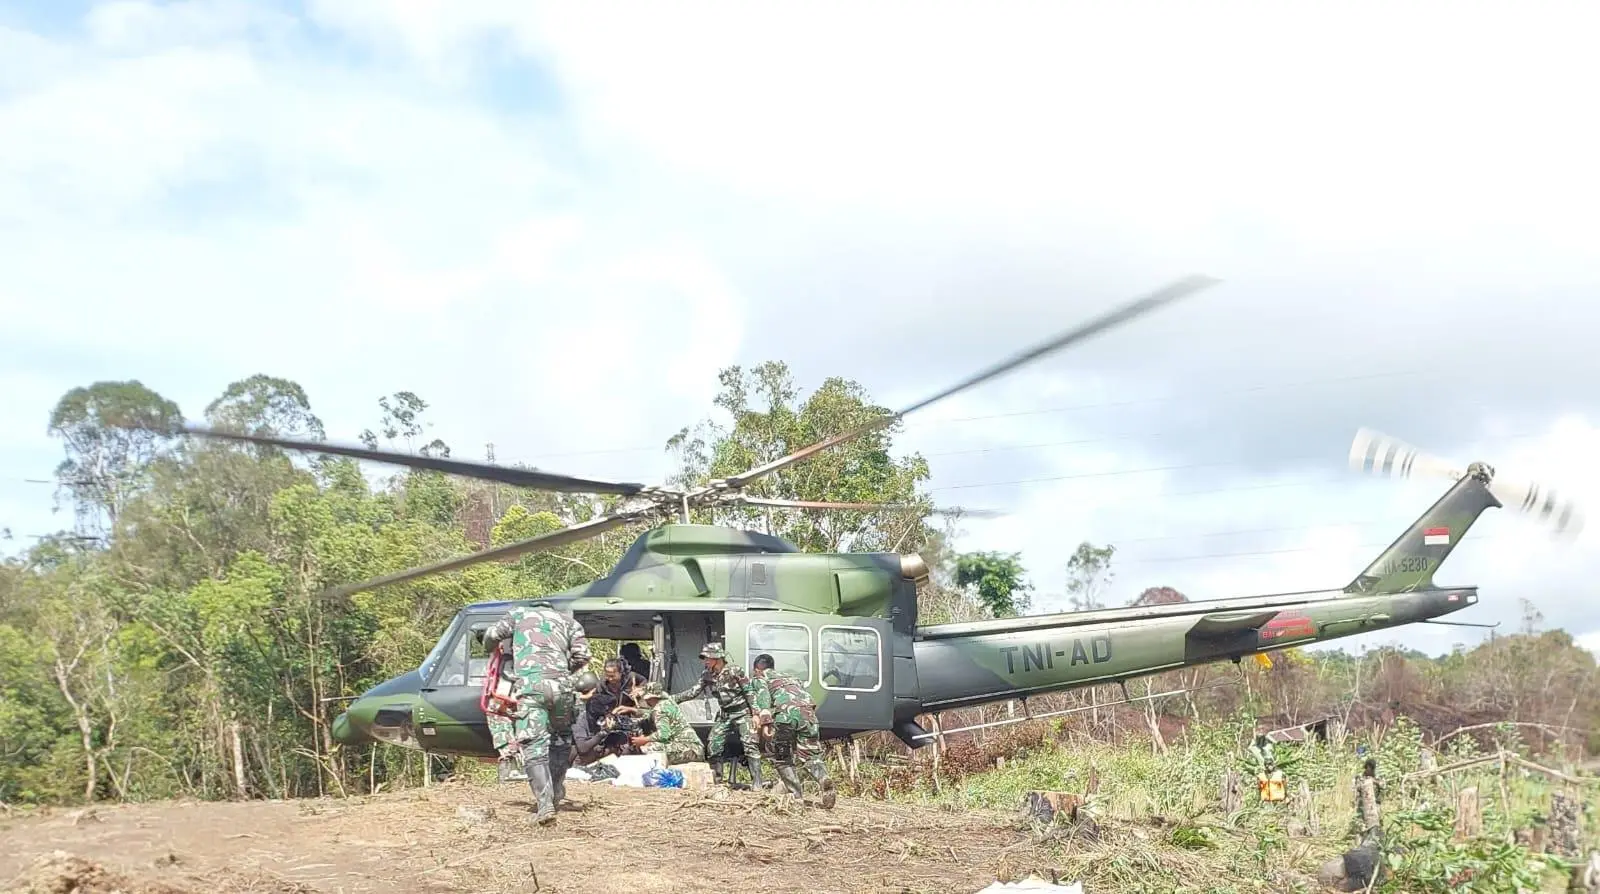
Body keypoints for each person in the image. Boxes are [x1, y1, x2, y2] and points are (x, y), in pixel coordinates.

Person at [480, 600, 591, 825]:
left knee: (533, 745)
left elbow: (492, 635)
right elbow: (582, 656)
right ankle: (557, 790)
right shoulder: (569, 622)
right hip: (562, 687)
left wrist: (487, 646)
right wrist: (560, 672)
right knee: (561, 738)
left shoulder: (518, 614)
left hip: (531, 688)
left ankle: (545, 805)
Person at [673, 641, 765, 788]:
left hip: (742, 713)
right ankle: (717, 781)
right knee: (713, 745)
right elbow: (693, 692)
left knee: (750, 746)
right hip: (725, 714)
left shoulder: (735, 671)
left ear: (717, 658)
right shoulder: (707, 675)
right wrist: (671, 699)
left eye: (708, 658)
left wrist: (756, 714)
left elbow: (749, 692)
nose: (706, 661)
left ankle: (757, 783)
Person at [752, 652, 836, 809]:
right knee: (811, 754)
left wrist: (765, 722)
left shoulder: (760, 677)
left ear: (757, 669)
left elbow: (763, 698)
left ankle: (796, 797)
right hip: (808, 714)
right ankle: (823, 778)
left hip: (785, 716)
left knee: (782, 758)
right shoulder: (792, 677)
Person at [624, 681, 704, 766]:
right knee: (651, 745)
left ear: (650, 698)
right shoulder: (667, 701)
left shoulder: (660, 710)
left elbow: (664, 735)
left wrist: (644, 740)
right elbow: (649, 715)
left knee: (649, 749)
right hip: (691, 747)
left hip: (690, 750)